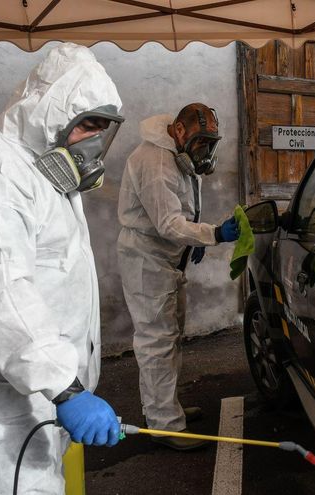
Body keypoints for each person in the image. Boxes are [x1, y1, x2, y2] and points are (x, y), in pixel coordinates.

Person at [0, 43, 124, 495]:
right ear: (47, 111)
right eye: (86, 124)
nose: (93, 141)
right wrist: (65, 388)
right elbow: (1, 294)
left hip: (33, 395)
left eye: (101, 129)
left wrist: (63, 385)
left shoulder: (38, 173)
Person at [117, 103, 239, 450]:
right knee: (157, 342)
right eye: (201, 141)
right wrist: (213, 234)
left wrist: (192, 241)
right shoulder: (156, 162)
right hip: (148, 260)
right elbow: (168, 223)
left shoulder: (175, 154)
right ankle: (165, 425)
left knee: (168, 338)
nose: (205, 150)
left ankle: (163, 411)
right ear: (180, 130)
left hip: (166, 256)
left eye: (210, 142)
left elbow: (181, 211)